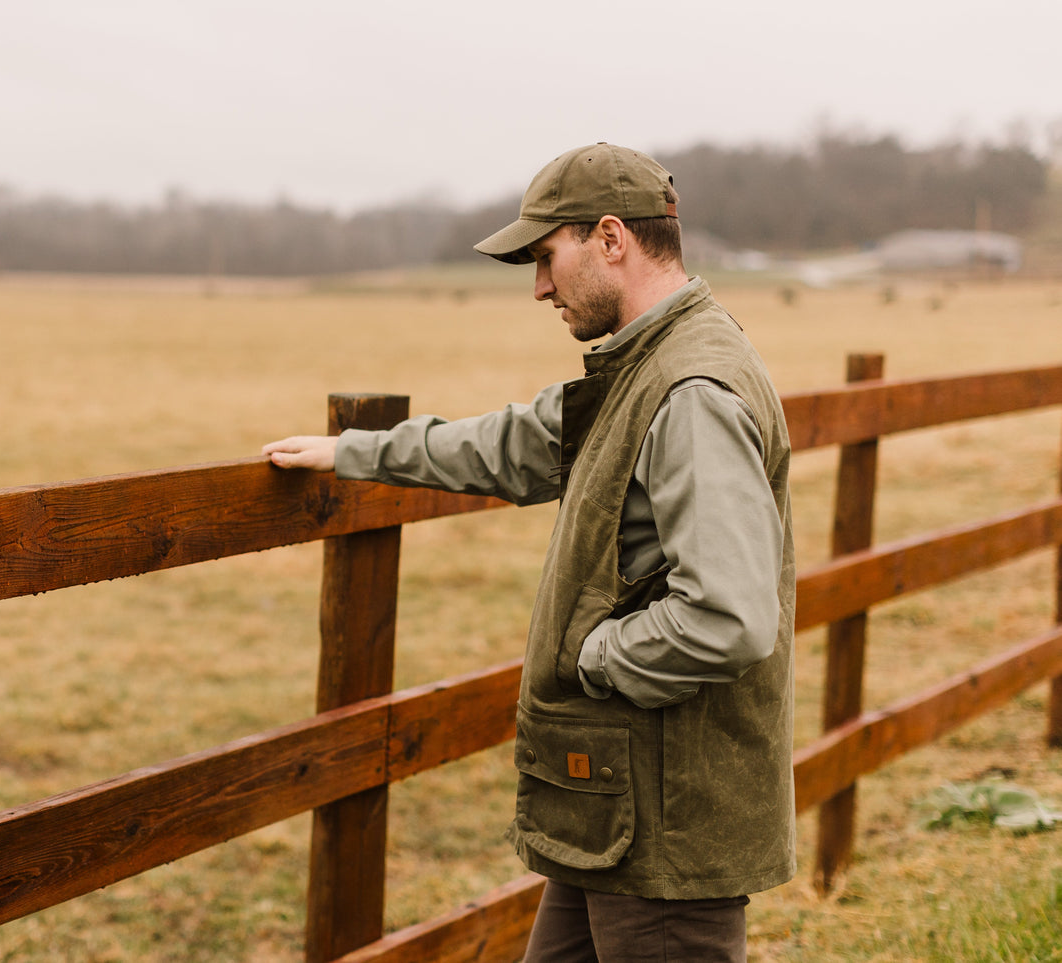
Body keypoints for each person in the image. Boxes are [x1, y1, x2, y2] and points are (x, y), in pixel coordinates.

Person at [263, 143, 795, 962]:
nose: (539, 286)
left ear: (611, 238)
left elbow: (726, 616)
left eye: (546, 257)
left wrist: (592, 655)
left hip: (666, 821)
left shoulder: (690, 390)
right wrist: (357, 452)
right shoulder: (640, 365)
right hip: (616, 807)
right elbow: (516, 444)